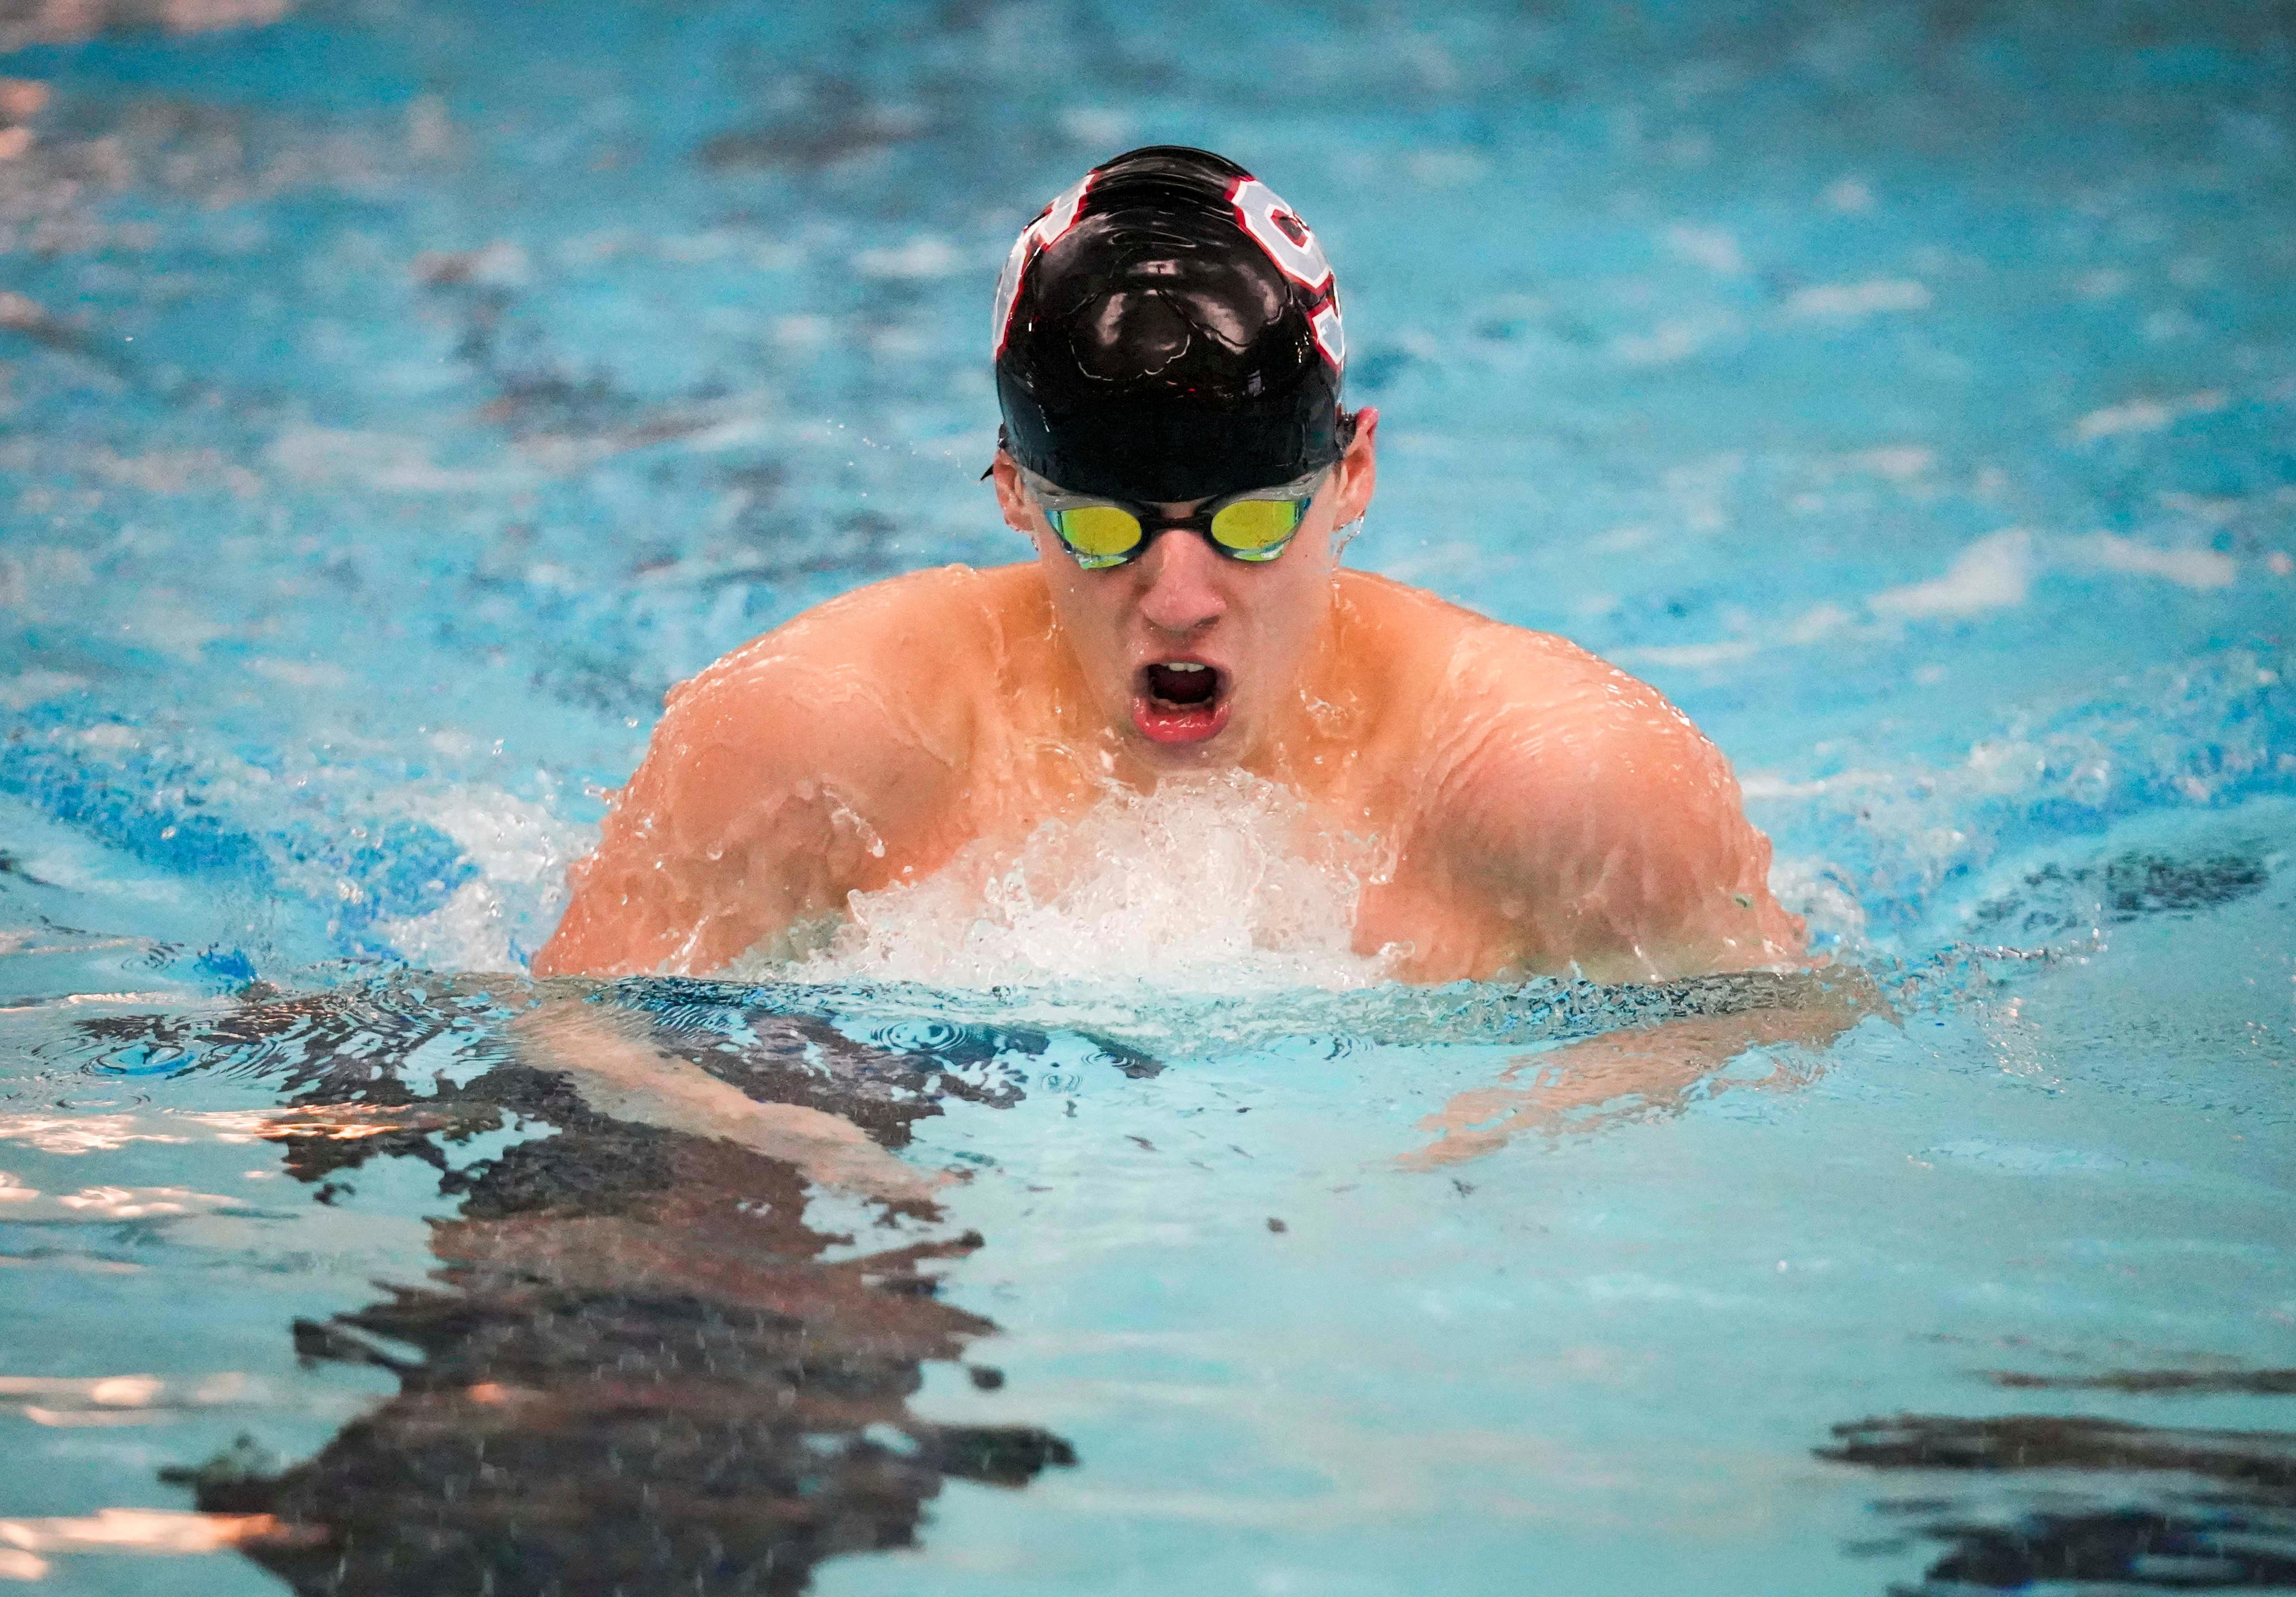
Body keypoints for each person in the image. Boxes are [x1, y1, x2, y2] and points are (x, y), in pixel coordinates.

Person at [533, 145, 1810, 989]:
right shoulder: (819, 737)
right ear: (1016, 498)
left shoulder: (1565, 787)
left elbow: (1762, 1067)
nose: (1183, 594)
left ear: (1352, 479)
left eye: (1251, 522)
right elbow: (576, 1043)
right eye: (1106, 528)